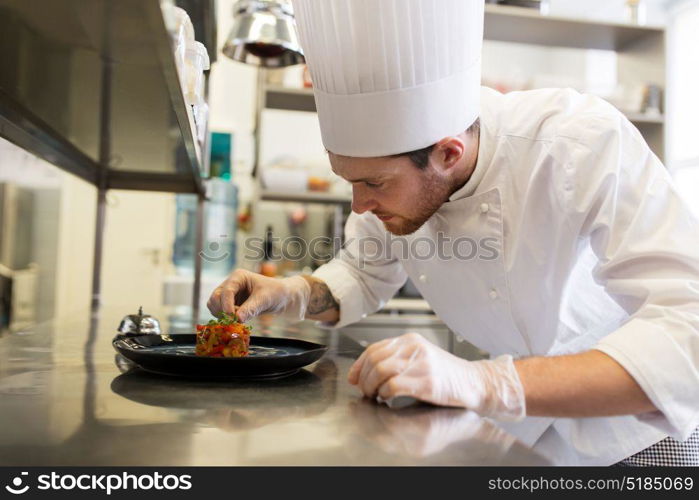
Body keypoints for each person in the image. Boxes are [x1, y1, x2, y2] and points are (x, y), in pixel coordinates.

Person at [207, 0, 699, 464]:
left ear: (448, 154)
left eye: (373, 183)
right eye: (350, 181)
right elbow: (360, 274)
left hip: (637, 434)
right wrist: (290, 293)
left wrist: (484, 383)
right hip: (516, 432)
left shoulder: (578, 143)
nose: (360, 203)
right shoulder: (399, 175)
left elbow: (689, 329)